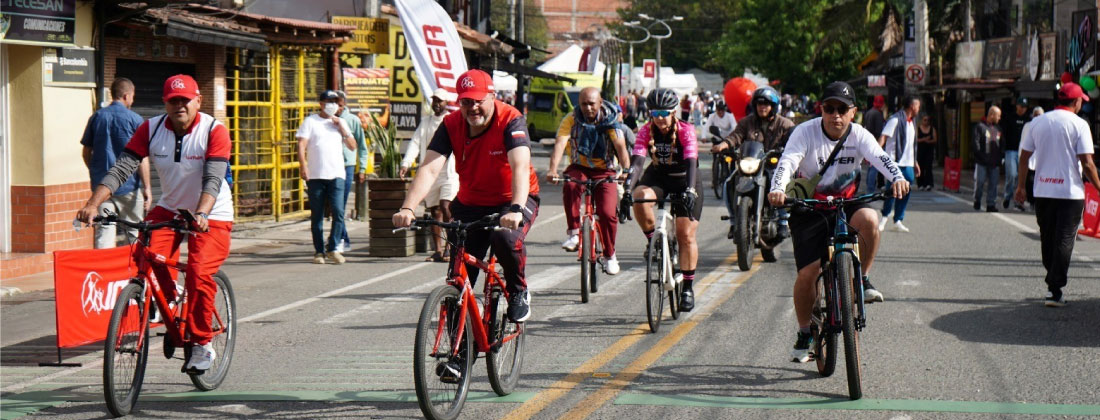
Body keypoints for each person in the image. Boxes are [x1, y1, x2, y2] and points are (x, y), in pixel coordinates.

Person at [76, 74, 234, 372]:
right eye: (173, 101)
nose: (179, 106)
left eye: (185, 100)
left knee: (199, 273)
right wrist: (93, 204)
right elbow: (122, 167)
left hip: (212, 212)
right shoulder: (150, 128)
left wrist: (201, 214)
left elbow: (213, 180)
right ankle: (172, 301)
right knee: (142, 254)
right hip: (170, 207)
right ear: (165, 103)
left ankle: (202, 343)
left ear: (198, 101)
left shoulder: (215, 130)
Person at [768, 81, 907, 363]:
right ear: (821, 109)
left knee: (870, 218)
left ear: (853, 112)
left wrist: (898, 178)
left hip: (847, 203)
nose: (836, 116)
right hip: (810, 206)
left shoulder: (859, 134)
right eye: (830, 109)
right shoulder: (804, 132)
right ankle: (805, 331)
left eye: (843, 110)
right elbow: (787, 162)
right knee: (807, 274)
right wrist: (778, 188)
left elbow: (881, 158)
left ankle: (863, 278)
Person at [392, 69, 540, 324]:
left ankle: (518, 291)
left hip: (513, 198)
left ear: (492, 96)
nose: (473, 108)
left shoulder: (510, 119)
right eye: (466, 102)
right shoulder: (451, 125)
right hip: (471, 203)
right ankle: (456, 359)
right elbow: (429, 168)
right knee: (458, 284)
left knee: (504, 237)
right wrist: (408, 208)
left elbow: (520, 166)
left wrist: (515, 208)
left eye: (478, 101)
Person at [1013, 83, 1100, 307]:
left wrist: (1021, 186)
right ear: (1077, 102)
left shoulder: (1037, 122)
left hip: (1043, 190)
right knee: (1064, 239)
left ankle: (1053, 283)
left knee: (1048, 237)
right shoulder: (1080, 125)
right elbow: (1088, 163)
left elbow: (1024, 158)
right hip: (1070, 193)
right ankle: (1055, 287)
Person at [620, 88, 703, 312]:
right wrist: (627, 189)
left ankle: (687, 287)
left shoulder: (686, 130)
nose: (659, 118)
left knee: (685, 234)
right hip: (658, 176)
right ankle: (654, 240)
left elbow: (692, 162)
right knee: (639, 197)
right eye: (655, 112)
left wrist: (690, 190)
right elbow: (637, 162)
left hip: (685, 178)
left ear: (673, 112)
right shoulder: (646, 131)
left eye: (664, 113)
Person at [546, 88, 632, 274]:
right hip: (580, 166)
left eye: (592, 104)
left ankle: (610, 254)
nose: (588, 108)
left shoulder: (610, 120)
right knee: (570, 185)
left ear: (600, 103)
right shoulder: (571, 118)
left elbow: (620, 146)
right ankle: (574, 233)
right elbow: (560, 143)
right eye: (584, 104)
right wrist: (552, 170)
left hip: (605, 170)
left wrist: (625, 170)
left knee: (608, 213)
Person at [711, 86, 796, 238]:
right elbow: (735, 136)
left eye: (766, 104)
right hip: (751, 165)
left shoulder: (785, 124)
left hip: (774, 166)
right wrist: (722, 145)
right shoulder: (746, 122)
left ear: (773, 106)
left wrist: (787, 151)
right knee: (728, 183)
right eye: (759, 104)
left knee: (780, 183)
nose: (762, 107)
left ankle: (784, 221)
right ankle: (733, 221)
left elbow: (794, 141)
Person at [80, 78, 151, 248]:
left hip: (101, 190)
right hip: (129, 188)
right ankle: (134, 272)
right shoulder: (135, 119)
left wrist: (96, 172)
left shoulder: (96, 117)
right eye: (132, 96)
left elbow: (85, 152)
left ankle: (104, 273)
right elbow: (142, 158)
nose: (132, 101)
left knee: (104, 233)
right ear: (127, 95)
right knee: (135, 233)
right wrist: (147, 187)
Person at [297, 90, 358, 264]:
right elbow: (301, 145)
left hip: (337, 174)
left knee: (338, 212)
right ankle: (319, 251)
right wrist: (304, 166)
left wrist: (341, 128)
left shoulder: (341, 122)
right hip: (316, 175)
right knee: (317, 214)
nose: (332, 105)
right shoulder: (311, 121)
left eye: (335, 102)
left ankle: (333, 248)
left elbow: (352, 146)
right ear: (321, 104)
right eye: (329, 101)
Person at [400, 88, 459, 262]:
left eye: (440, 101)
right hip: (430, 173)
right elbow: (415, 143)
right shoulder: (425, 123)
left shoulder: (451, 121)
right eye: (434, 100)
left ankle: (450, 247)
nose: (436, 104)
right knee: (435, 211)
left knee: (446, 206)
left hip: (450, 173)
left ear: (446, 103)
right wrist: (406, 163)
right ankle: (438, 250)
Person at [877, 95, 921, 232]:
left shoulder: (911, 122)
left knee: (906, 189)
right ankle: (884, 217)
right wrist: (876, 156)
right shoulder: (895, 119)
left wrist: (915, 162)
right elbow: (883, 137)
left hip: (908, 163)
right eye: (918, 106)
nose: (919, 109)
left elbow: (911, 145)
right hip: (894, 162)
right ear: (912, 106)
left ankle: (898, 219)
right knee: (891, 190)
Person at [334, 90, 369, 253]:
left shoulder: (353, 120)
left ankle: (340, 239)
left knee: (339, 204)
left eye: (340, 105)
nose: (337, 108)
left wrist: (361, 168)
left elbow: (362, 146)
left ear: (344, 104)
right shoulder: (327, 120)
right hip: (330, 165)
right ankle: (342, 238)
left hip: (346, 166)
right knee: (335, 206)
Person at [1001, 97, 1031, 210]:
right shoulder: (1010, 118)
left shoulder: (1028, 120)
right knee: (1012, 175)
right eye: (1021, 106)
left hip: (1024, 152)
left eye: (1025, 107)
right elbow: (1004, 134)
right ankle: (1007, 196)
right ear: (1017, 106)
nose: (1023, 109)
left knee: (1021, 177)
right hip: (1011, 150)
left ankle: (1018, 201)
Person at [972, 106, 1003, 212]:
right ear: (992, 115)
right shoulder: (980, 126)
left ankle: (991, 204)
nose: (999, 118)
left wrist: (1001, 157)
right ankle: (977, 199)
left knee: (993, 184)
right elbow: (976, 143)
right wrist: (980, 155)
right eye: (998, 115)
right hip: (982, 161)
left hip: (994, 162)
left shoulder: (998, 129)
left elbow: (1002, 144)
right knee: (979, 182)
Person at [863, 95, 887, 193]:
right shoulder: (877, 114)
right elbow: (878, 130)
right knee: (874, 166)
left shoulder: (869, 112)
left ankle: (869, 186)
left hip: (868, 141)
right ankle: (870, 189)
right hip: (875, 142)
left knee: (871, 165)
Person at [915, 113, 937, 191]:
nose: (926, 122)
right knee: (921, 167)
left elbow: (935, 139)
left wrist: (929, 141)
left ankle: (929, 184)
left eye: (928, 120)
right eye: (925, 120)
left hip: (929, 150)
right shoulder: (918, 129)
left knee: (928, 167)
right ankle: (920, 184)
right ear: (922, 121)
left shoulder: (932, 129)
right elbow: (916, 139)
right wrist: (924, 139)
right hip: (920, 151)